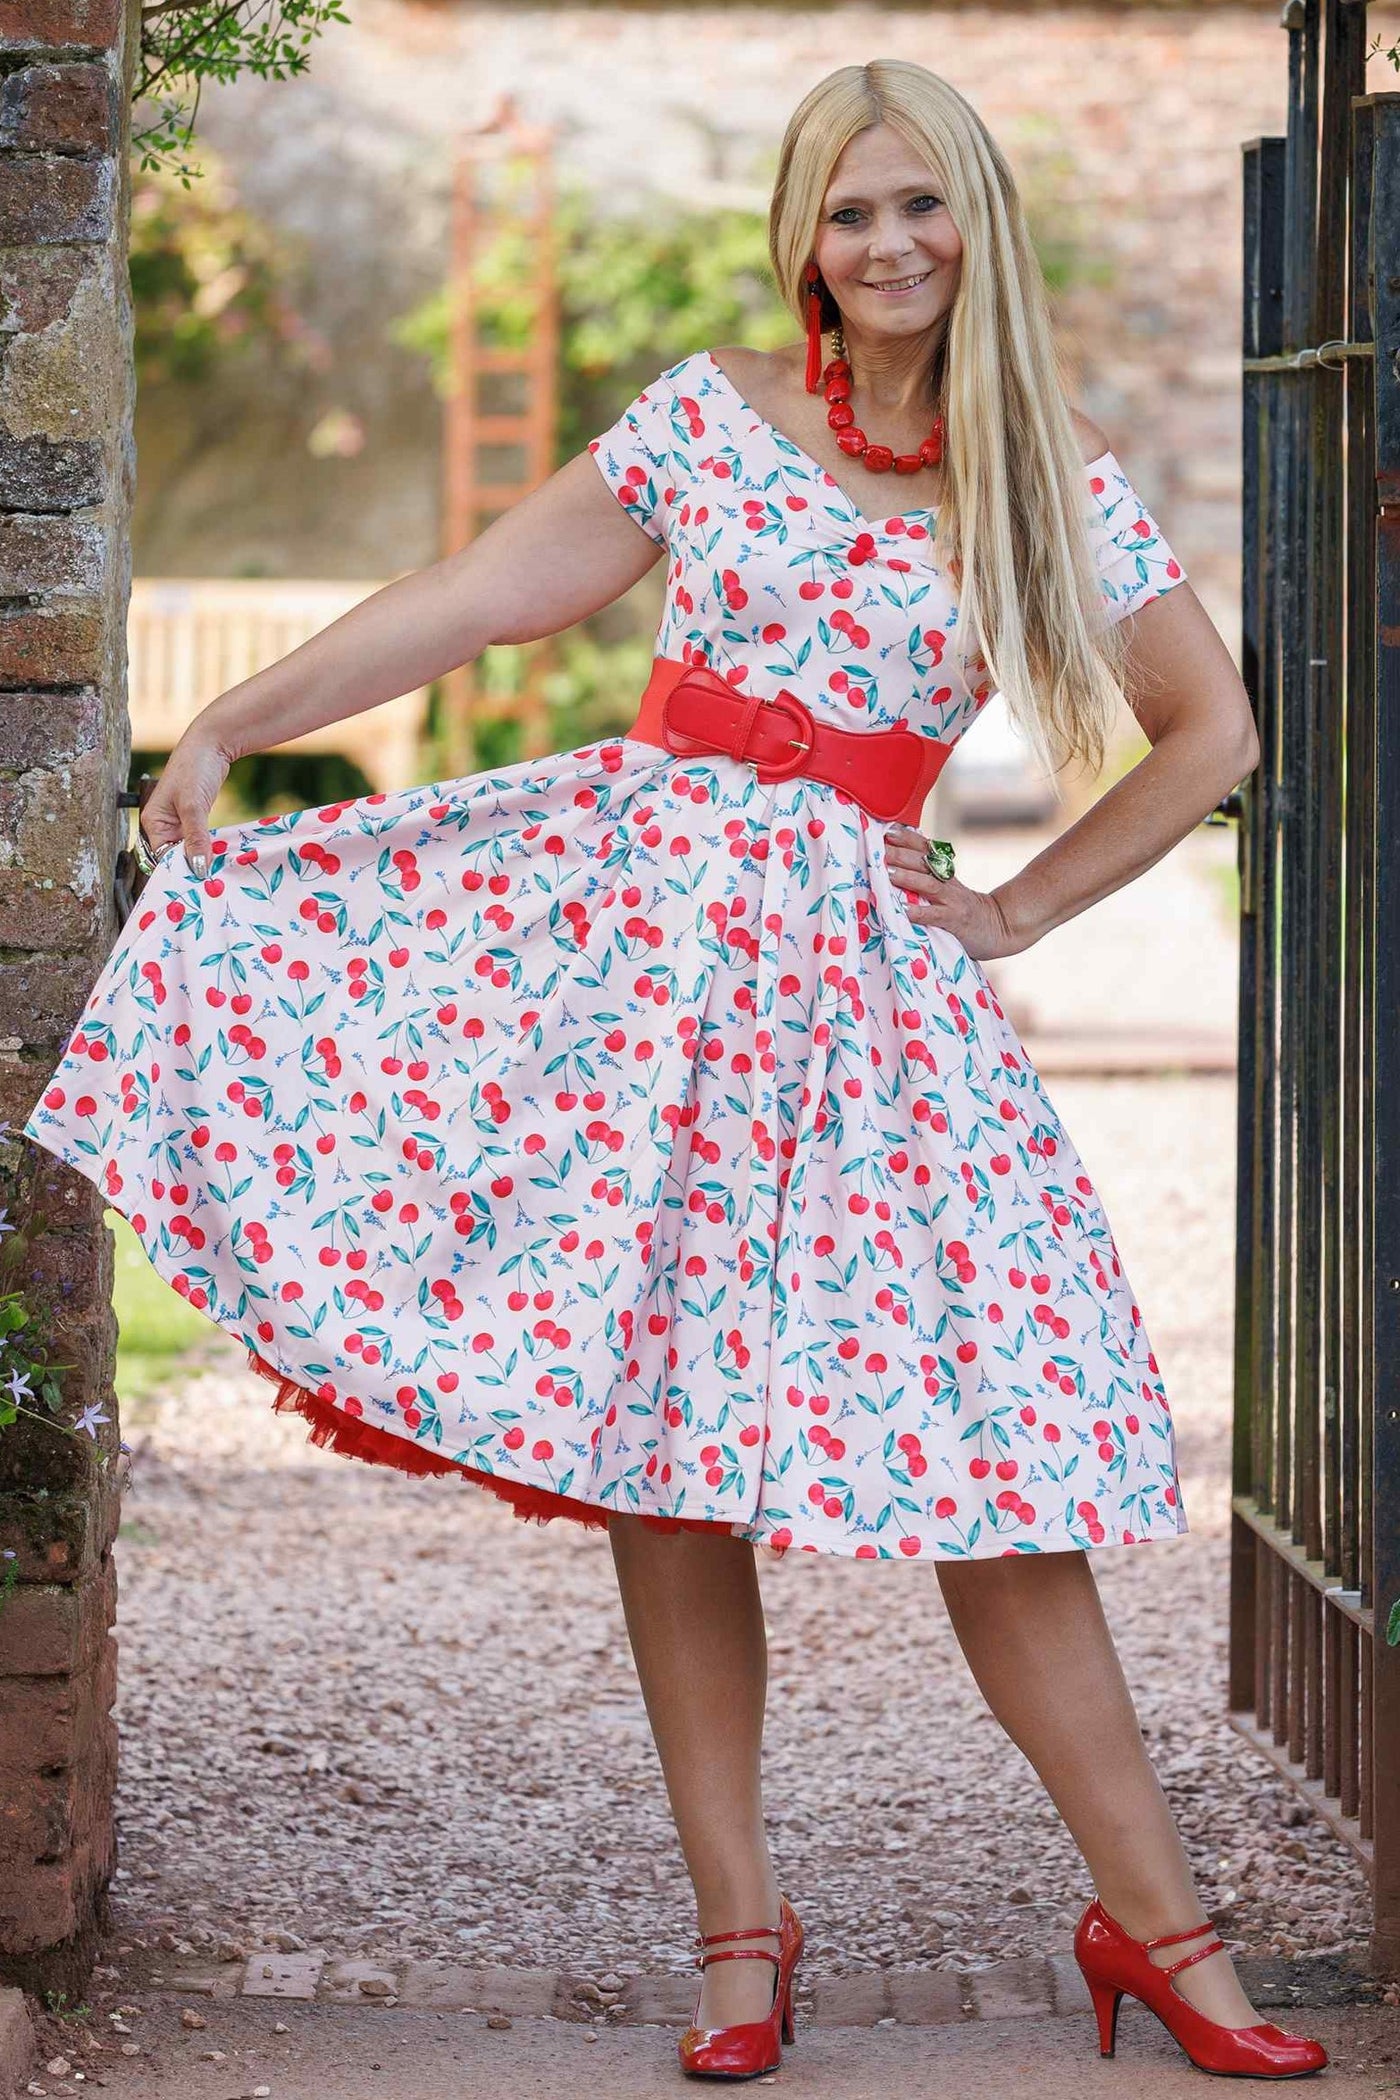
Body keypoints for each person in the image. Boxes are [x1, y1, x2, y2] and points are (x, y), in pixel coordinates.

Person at [23, 57, 1327, 2086]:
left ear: (977, 221)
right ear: (798, 236)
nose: (884, 245)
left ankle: (1157, 1928)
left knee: (991, 1468)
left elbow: (1208, 733)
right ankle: (740, 1931)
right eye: (845, 211)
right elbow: (475, 595)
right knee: (666, 1447)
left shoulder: (1040, 468)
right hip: (637, 979)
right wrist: (225, 731)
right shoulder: (709, 422)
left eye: (919, 206)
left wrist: (1010, 912)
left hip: (871, 1018)